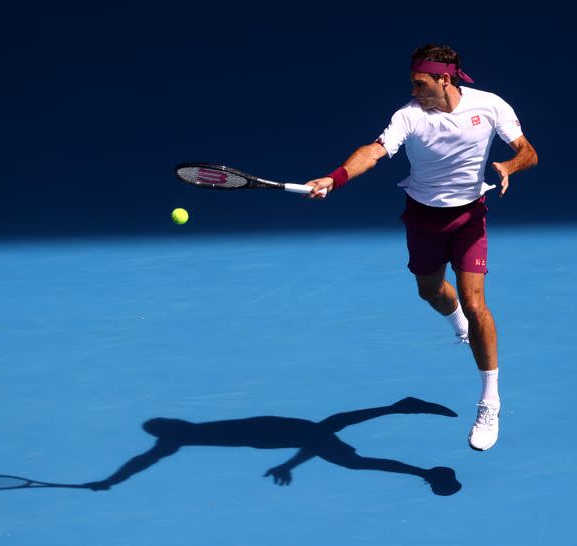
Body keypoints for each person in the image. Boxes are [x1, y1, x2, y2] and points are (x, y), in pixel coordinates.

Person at [305, 44, 538, 451]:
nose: (414, 91)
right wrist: (335, 177)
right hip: (423, 217)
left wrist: (509, 166)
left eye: (420, 83)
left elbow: (528, 152)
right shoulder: (409, 117)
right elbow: (373, 153)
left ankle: (489, 401)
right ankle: (458, 325)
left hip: (469, 217)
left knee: (475, 300)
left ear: (443, 79)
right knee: (430, 290)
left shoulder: (490, 105)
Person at [83, 397, 461, 495]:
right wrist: (112, 481)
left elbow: (139, 462)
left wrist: (289, 466)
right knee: (331, 428)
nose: (164, 429)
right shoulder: (174, 439)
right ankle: (399, 407)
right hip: (268, 432)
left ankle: (420, 456)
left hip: (270, 432)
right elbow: (138, 464)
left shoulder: (172, 441)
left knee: (341, 449)